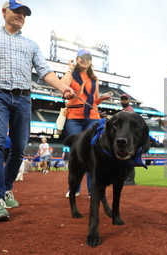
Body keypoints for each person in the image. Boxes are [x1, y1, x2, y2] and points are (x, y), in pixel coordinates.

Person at [0, 1, 75, 222]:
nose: (21, 16)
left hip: (23, 98)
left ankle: (7, 188)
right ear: (4, 12)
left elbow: (45, 71)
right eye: (17, 11)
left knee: (19, 148)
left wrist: (62, 88)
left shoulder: (30, 44)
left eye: (24, 14)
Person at [61, 48, 111, 198]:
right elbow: (62, 86)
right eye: (82, 58)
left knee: (92, 152)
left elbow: (94, 99)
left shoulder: (94, 79)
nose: (85, 60)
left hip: (93, 117)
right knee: (75, 152)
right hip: (74, 117)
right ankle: (74, 187)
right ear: (77, 59)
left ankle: (93, 189)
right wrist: (69, 70)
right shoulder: (72, 75)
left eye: (88, 58)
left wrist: (101, 99)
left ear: (91, 61)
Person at [119, 94, 136, 185]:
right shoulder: (124, 110)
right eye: (122, 99)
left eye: (125, 99)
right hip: (126, 137)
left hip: (128, 138)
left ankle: (129, 180)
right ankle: (128, 179)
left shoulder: (128, 110)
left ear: (129, 100)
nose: (123, 101)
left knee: (128, 159)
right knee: (126, 159)